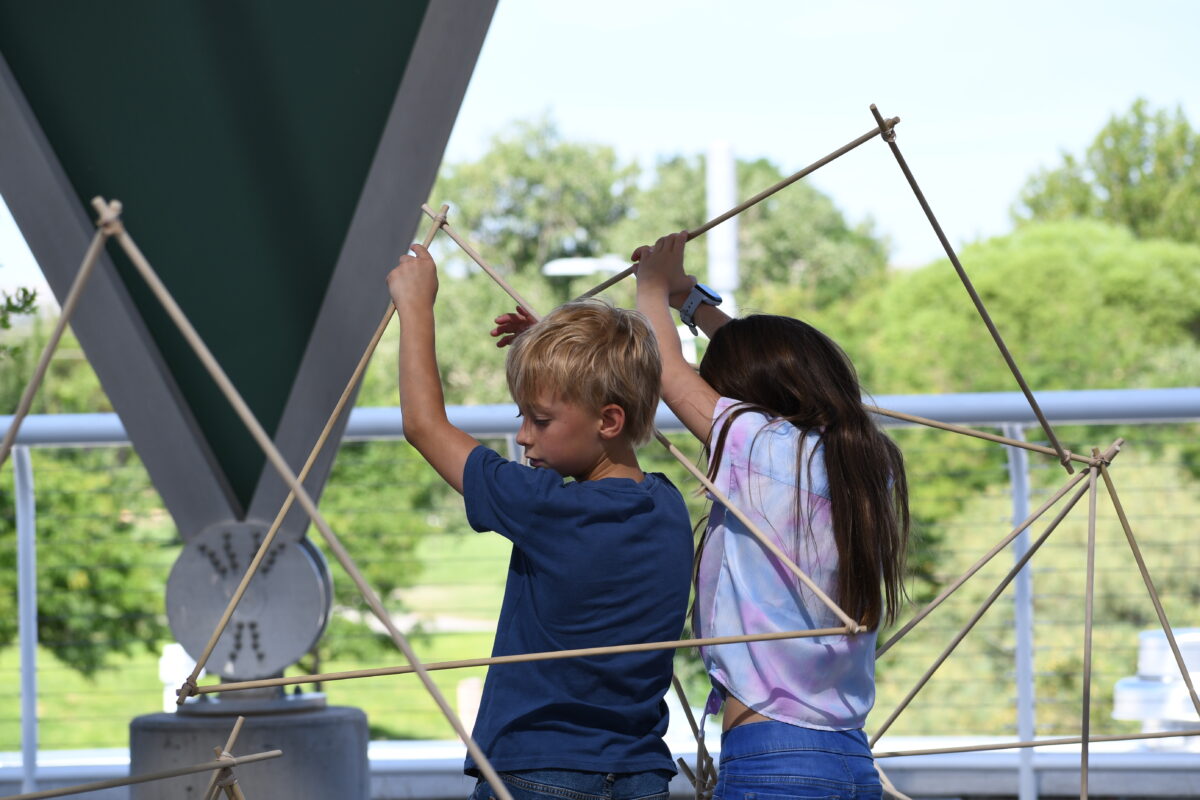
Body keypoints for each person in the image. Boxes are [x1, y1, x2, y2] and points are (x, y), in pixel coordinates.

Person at [387, 244, 693, 800]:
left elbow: (424, 426)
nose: (524, 435)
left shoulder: (547, 507)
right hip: (640, 776)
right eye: (522, 415)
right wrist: (549, 354)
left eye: (541, 419)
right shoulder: (669, 506)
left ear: (609, 418)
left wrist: (416, 308)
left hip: (539, 772)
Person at [631, 232, 910, 800]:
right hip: (849, 756)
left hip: (775, 759)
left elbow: (670, 372)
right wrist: (693, 302)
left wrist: (651, 289)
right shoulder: (861, 458)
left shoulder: (760, 447)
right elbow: (761, 363)